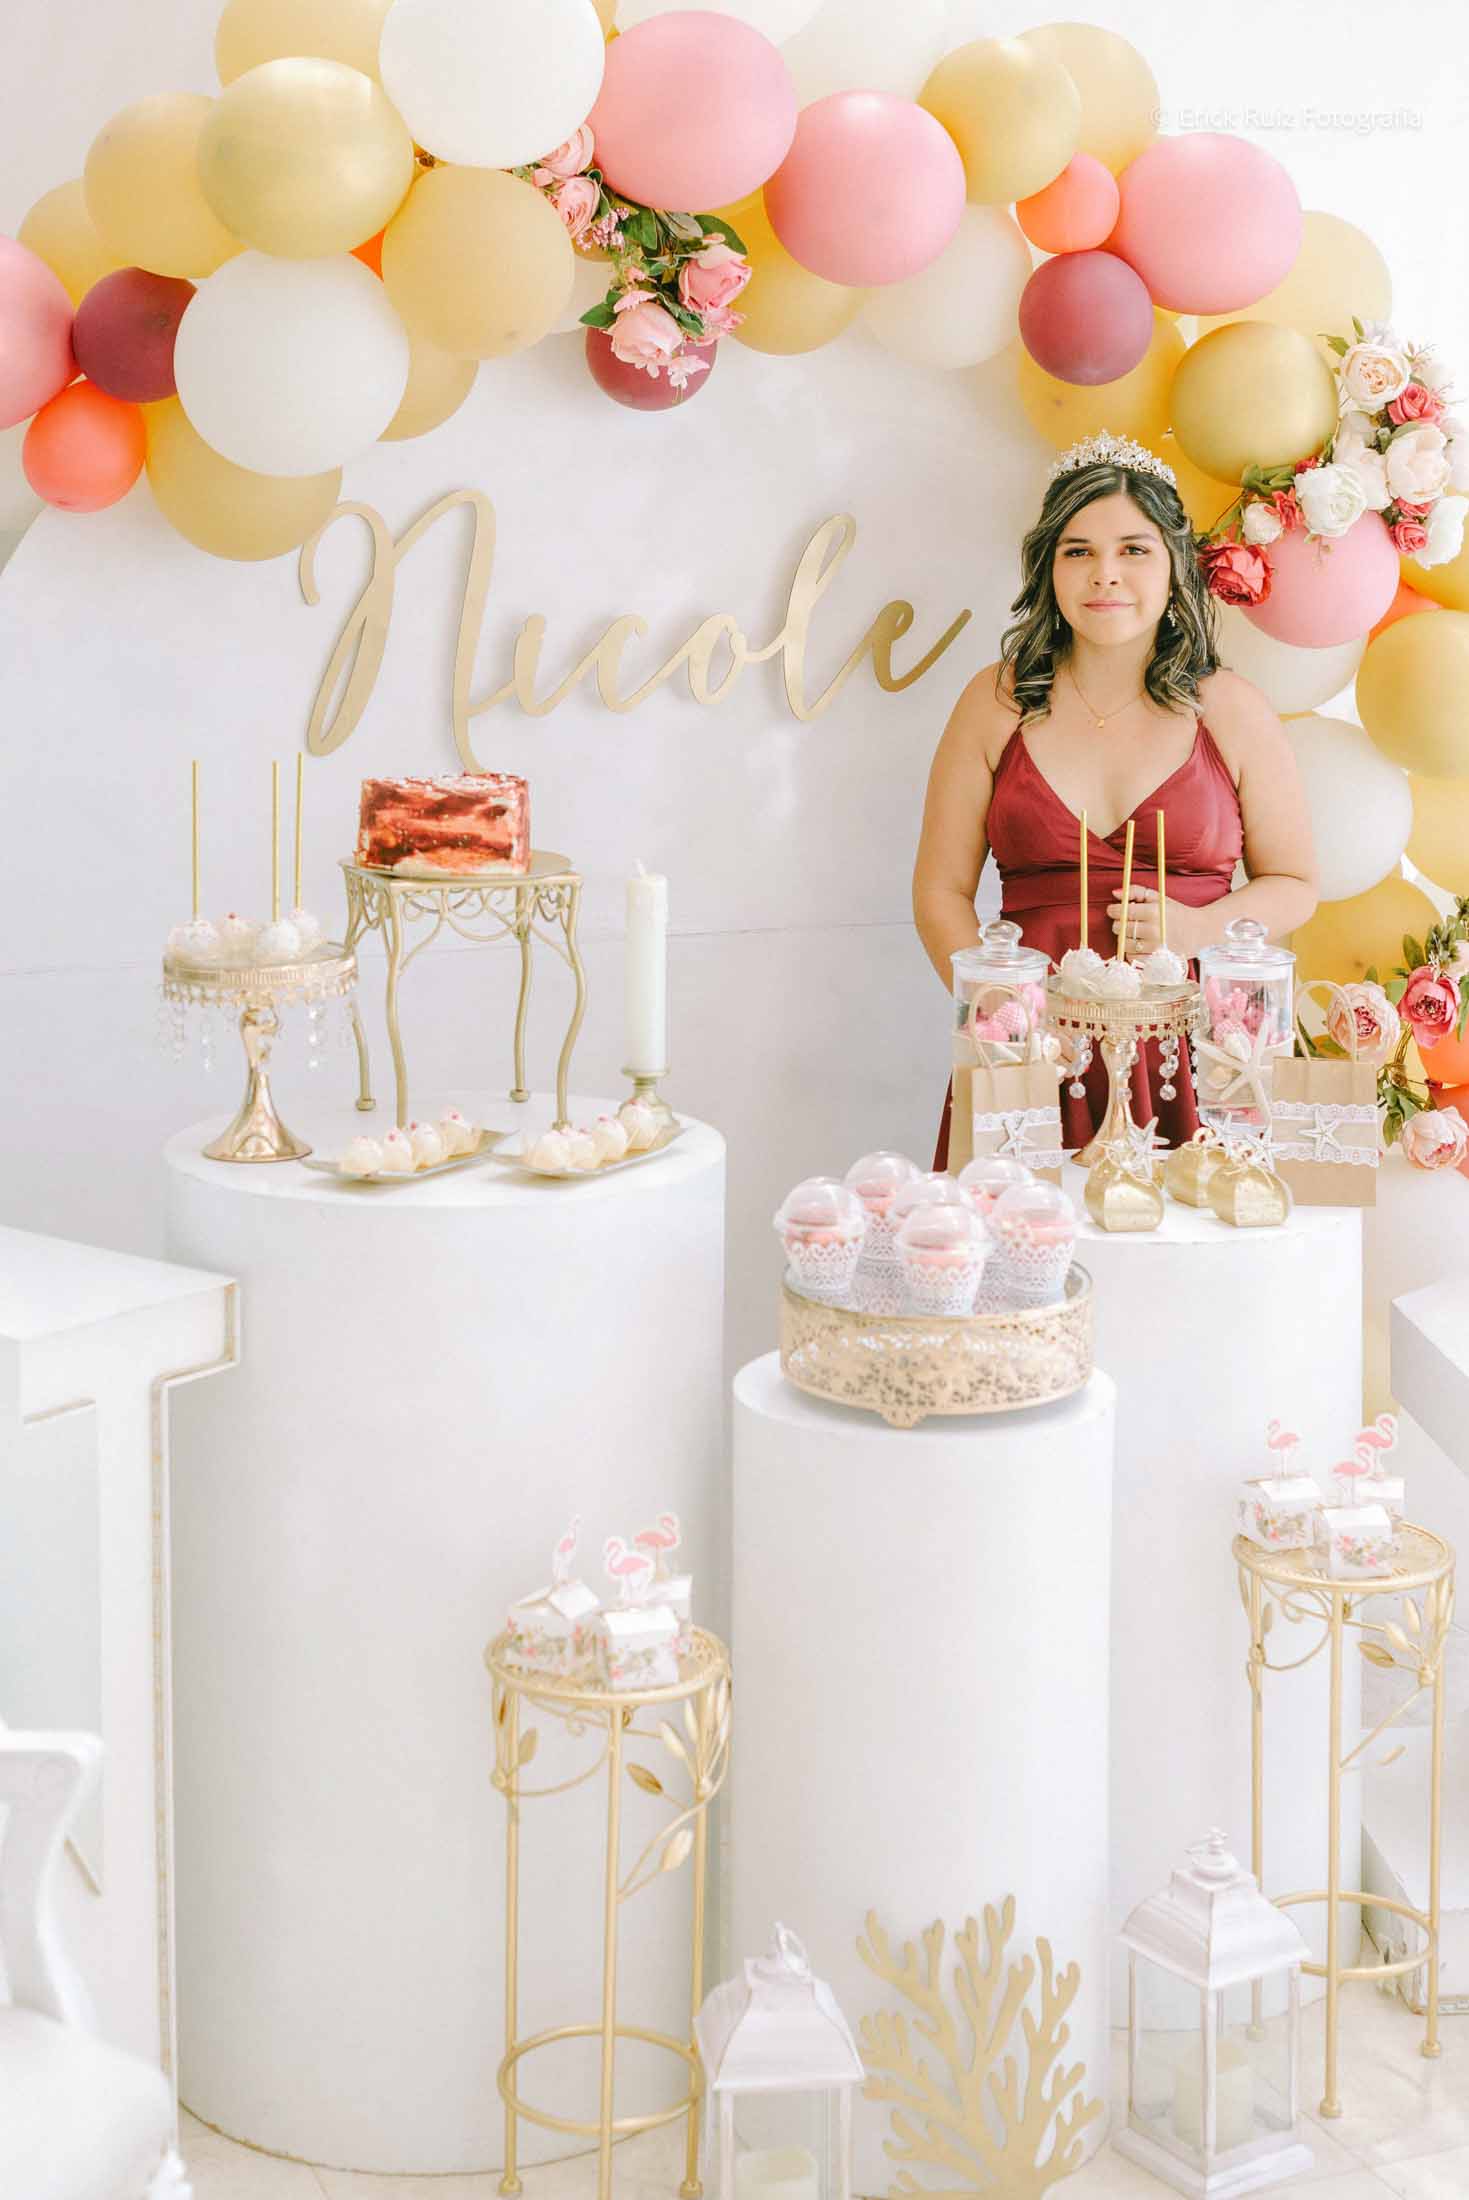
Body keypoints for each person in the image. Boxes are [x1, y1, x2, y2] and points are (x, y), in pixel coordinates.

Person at [913, 431, 1318, 1164]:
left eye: (1133, 549)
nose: (1105, 574)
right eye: (1079, 551)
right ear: (1049, 566)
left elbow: (1294, 883)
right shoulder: (995, 701)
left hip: (1191, 1047)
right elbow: (939, 890)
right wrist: (1000, 1013)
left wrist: (1199, 930)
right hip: (1029, 1048)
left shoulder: (1230, 709)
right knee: (1018, 1231)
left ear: (1172, 566)